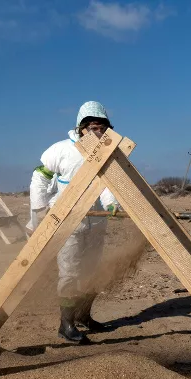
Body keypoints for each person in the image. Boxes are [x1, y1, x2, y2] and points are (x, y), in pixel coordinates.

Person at [40, 101, 121, 344]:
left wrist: (111, 204)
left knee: (91, 271)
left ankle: (84, 316)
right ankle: (66, 323)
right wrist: (38, 209)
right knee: (70, 273)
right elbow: (40, 176)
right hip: (68, 222)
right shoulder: (62, 149)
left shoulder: (109, 152)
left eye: (102, 128)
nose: (97, 133)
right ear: (81, 128)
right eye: (92, 127)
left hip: (96, 222)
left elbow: (107, 183)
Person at [26, 163, 58, 234]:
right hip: (42, 179)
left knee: (55, 210)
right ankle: (34, 234)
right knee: (38, 211)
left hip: (59, 183)